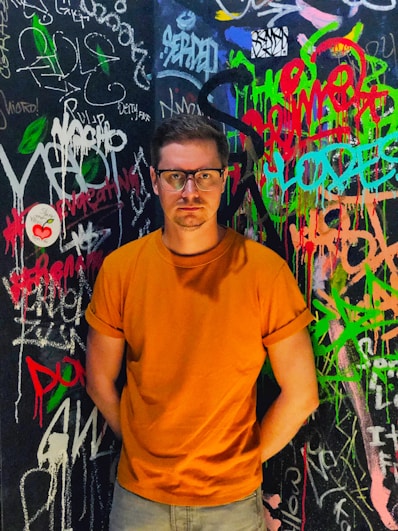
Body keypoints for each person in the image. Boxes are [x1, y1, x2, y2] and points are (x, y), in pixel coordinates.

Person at [85, 114, 319, 531]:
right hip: (140, 502)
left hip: (231, 504)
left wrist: (241, 464)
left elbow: (302, 394)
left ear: (223, 179)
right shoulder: (122, 270)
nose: (190, 191)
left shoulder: (264, 272)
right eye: (176, 176)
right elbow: (99, 380)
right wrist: (142, 453)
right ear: (155, 181)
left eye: (205, 176)